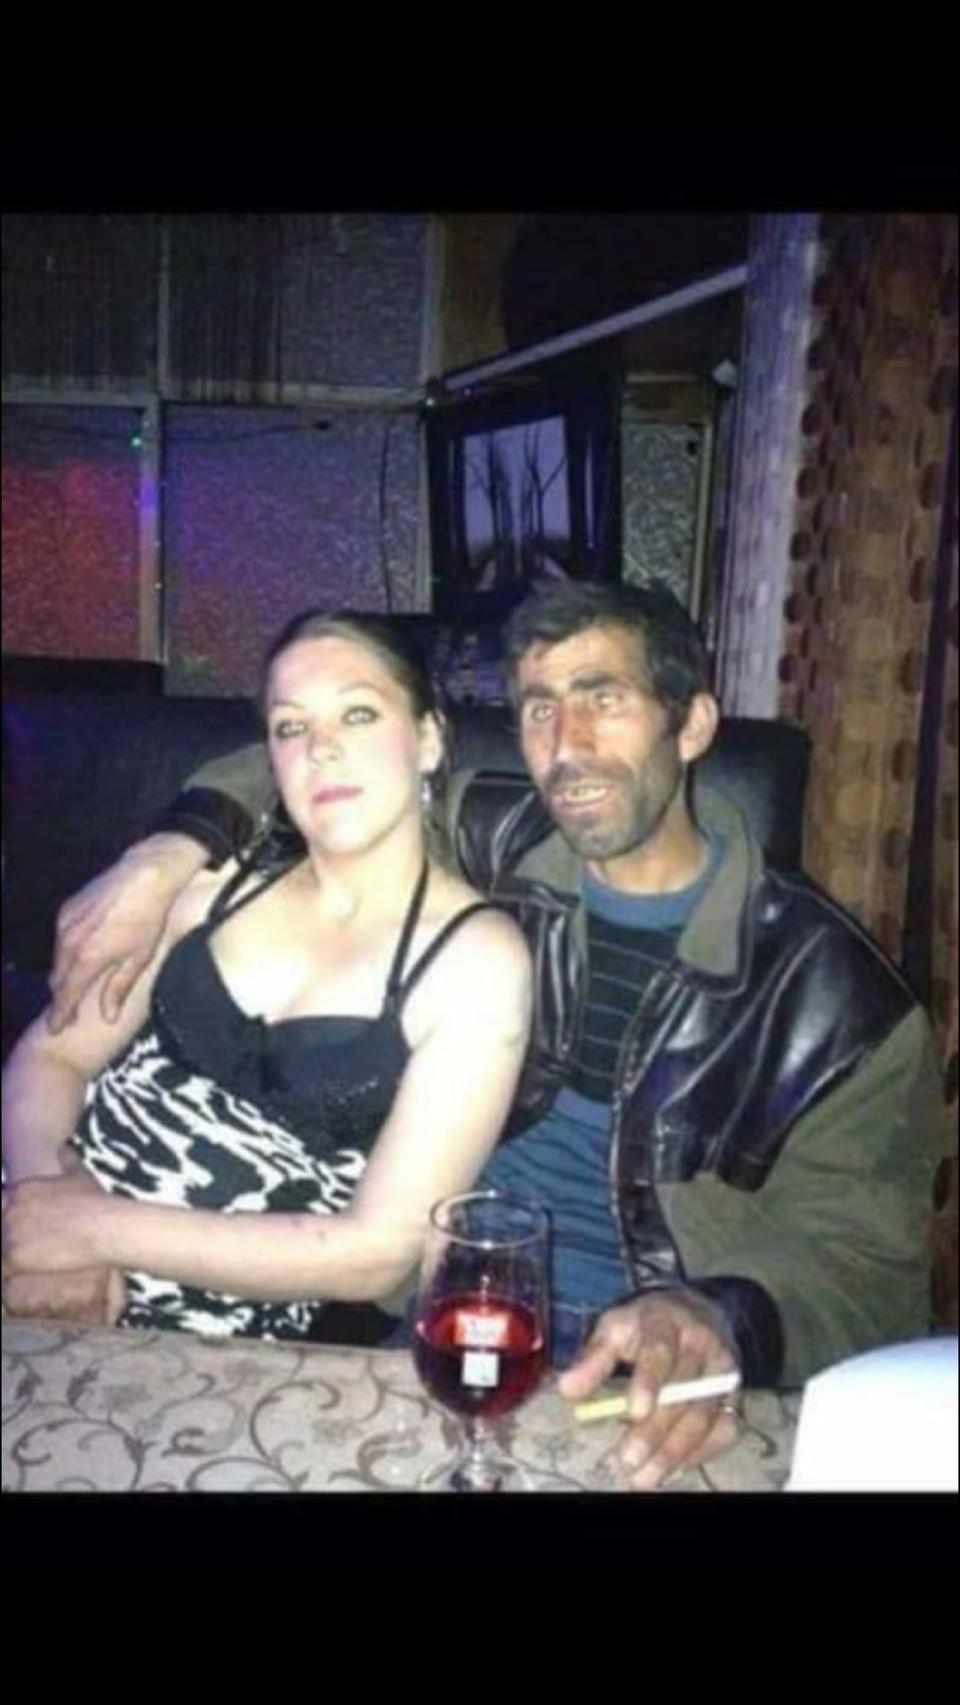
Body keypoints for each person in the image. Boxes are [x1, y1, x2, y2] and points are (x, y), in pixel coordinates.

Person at [14, 584, 942, 1489]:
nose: (567, 746)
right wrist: (167, 852)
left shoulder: (841, 1002)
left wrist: (722, 1315)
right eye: (539, 708)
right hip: (430, 1316)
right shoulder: (500, 839)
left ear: (693, 724)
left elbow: (872, 1270)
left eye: (604, 700)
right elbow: (312, 759)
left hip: (638, 1360)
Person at [1, 611, 531, 1344]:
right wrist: (43, 1207)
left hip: (205, 1335)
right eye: (291, 726)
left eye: (358, 713)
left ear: (429, 739)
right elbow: (52, 1054)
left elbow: (379, 1254)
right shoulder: (205, 890)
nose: (321, 748)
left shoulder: (477, 961)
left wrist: (94, 1230)